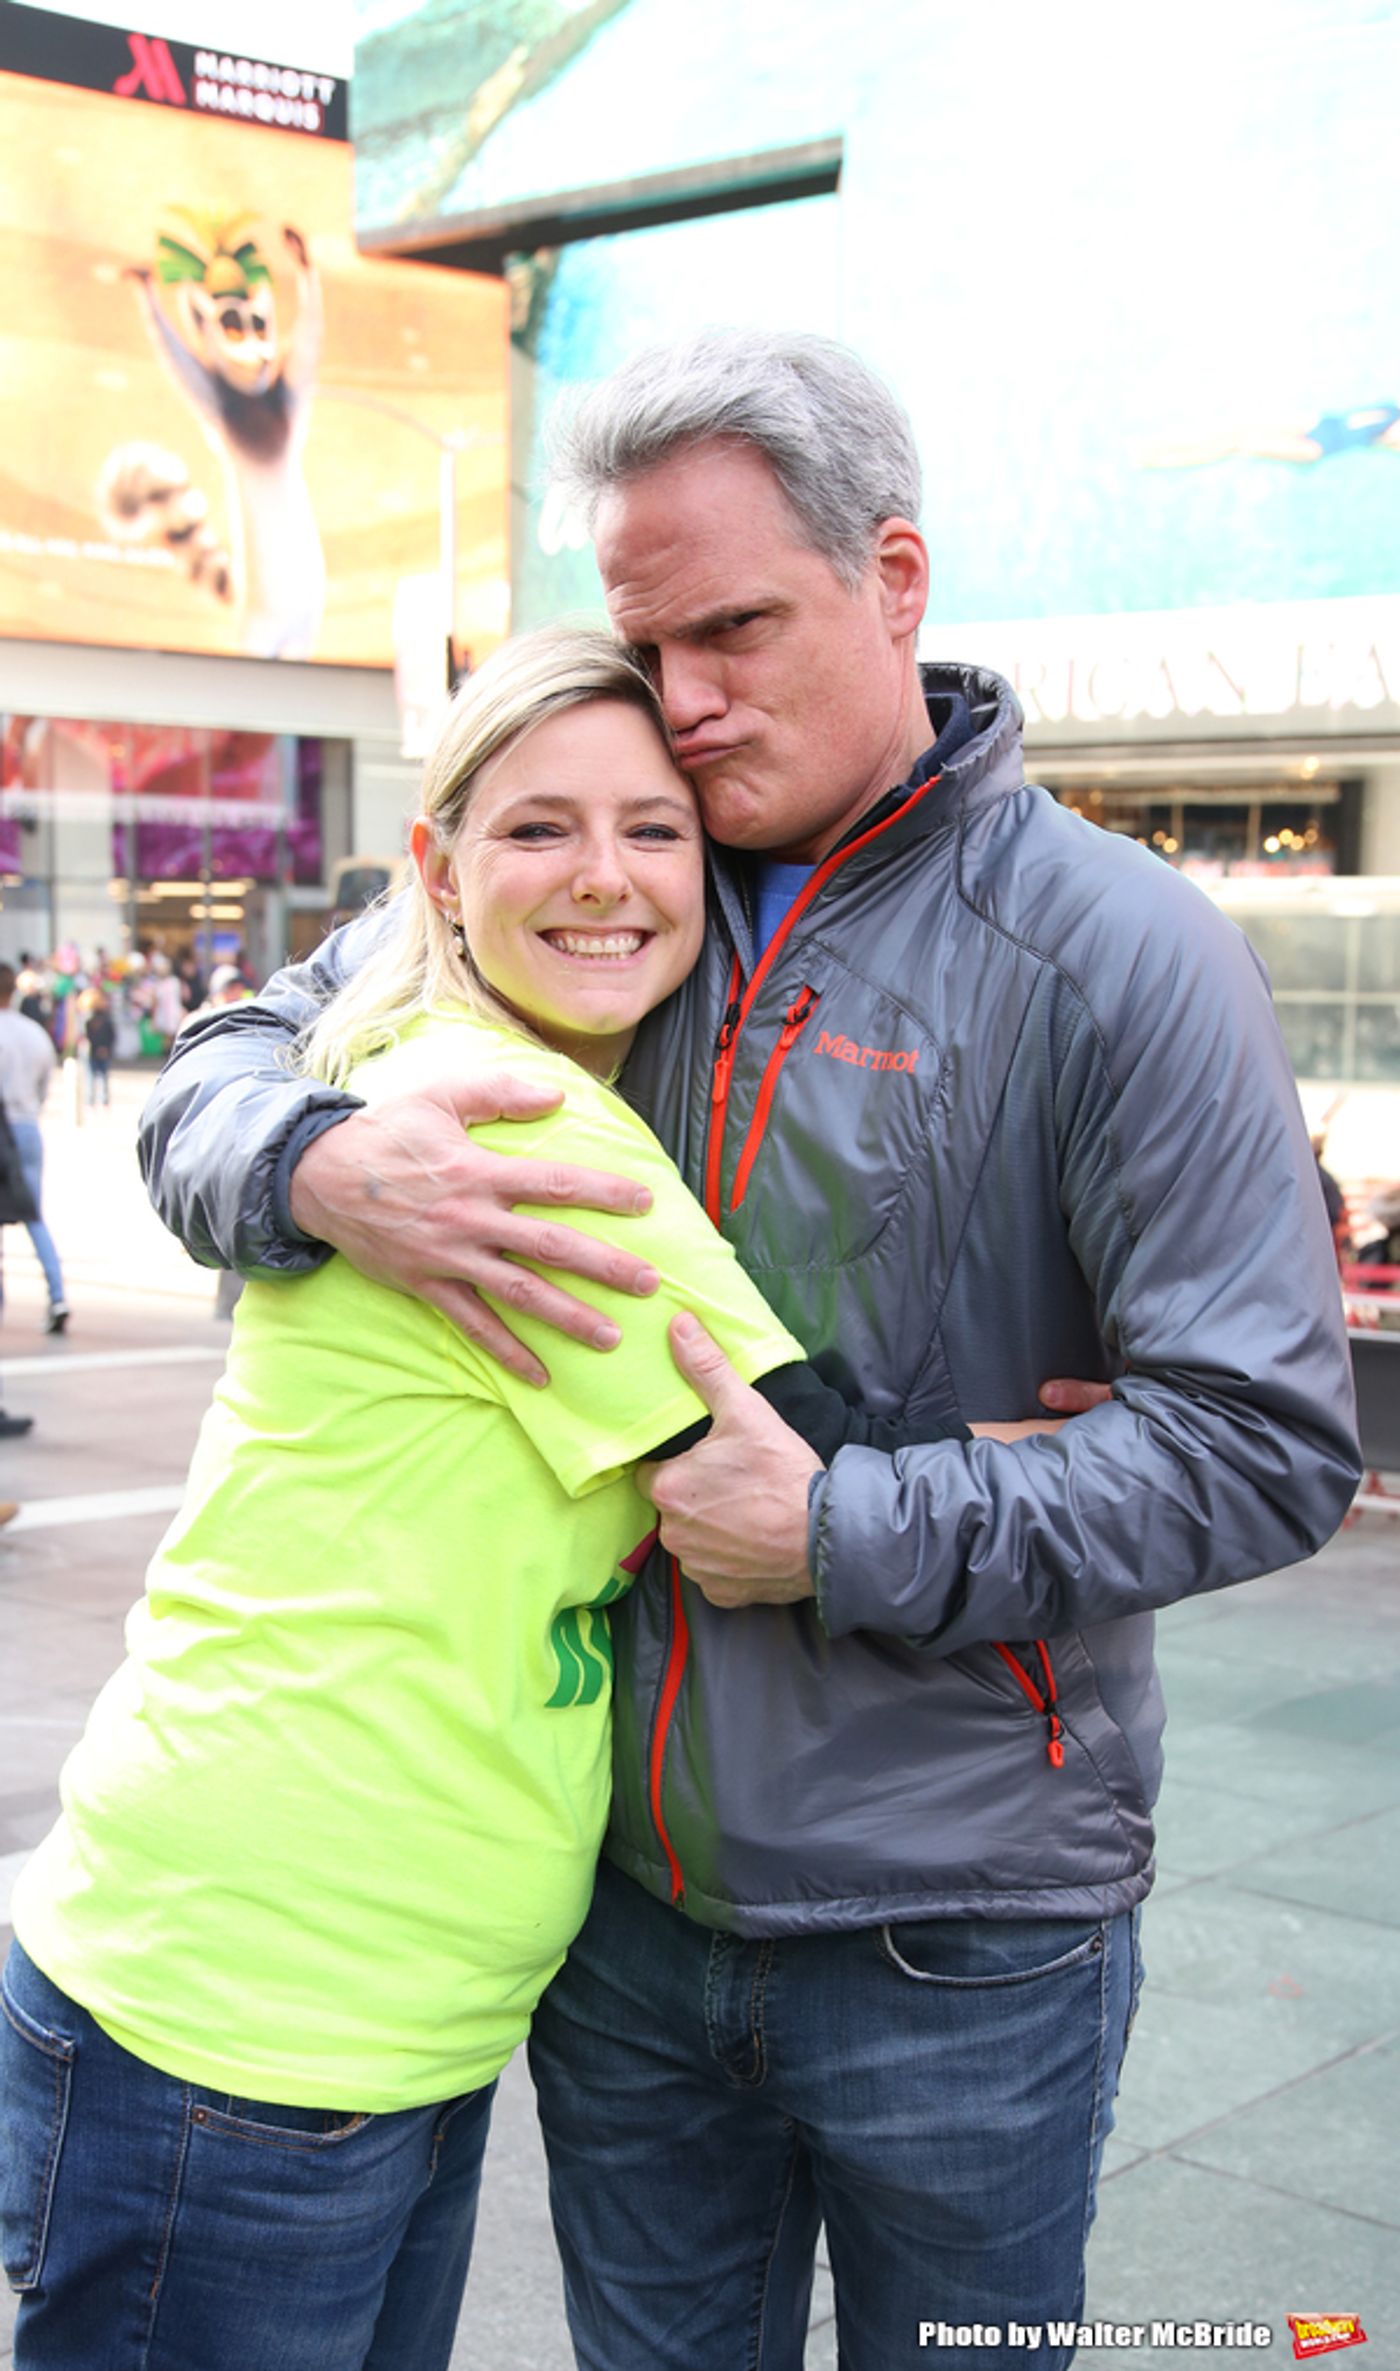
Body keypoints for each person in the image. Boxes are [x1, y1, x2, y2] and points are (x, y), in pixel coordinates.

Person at [137, 333, 1359, 2370]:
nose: (684, 704)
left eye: (734, 630)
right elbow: (229, 1061)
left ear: (893, 579)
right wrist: (314, 1159)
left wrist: (843, 1522)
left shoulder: (1117, 955)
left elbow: (1258, 1443)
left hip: (960, 1927)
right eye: (645, 640)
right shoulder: (607, 870)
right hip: (615, 1916)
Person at [1, 624, 1026, 2371]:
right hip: (257, 2005)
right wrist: (1046, 1445)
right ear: (440, 865)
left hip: (351, 2008)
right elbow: (792, 1468)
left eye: (654, 829)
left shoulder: (441, 1064)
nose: (607, 878)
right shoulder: (510, 1128)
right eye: (540, 828)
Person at [0, 962, 68, 1334]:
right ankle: (57, 1294)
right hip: (27, 1127)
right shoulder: (32, 1033)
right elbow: (45, 1082)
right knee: (33, 1215)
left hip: (3, 1128)